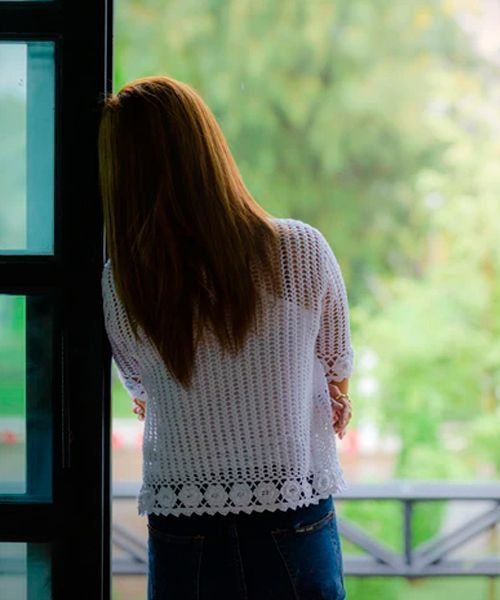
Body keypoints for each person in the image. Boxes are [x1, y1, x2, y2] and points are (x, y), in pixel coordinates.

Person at [98, 75, 354, 600]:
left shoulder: (123, 283)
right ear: (207, 149)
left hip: (183, 524)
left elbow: (144, 393)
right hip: (291, 513)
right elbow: (337, 379)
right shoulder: (299, 250)